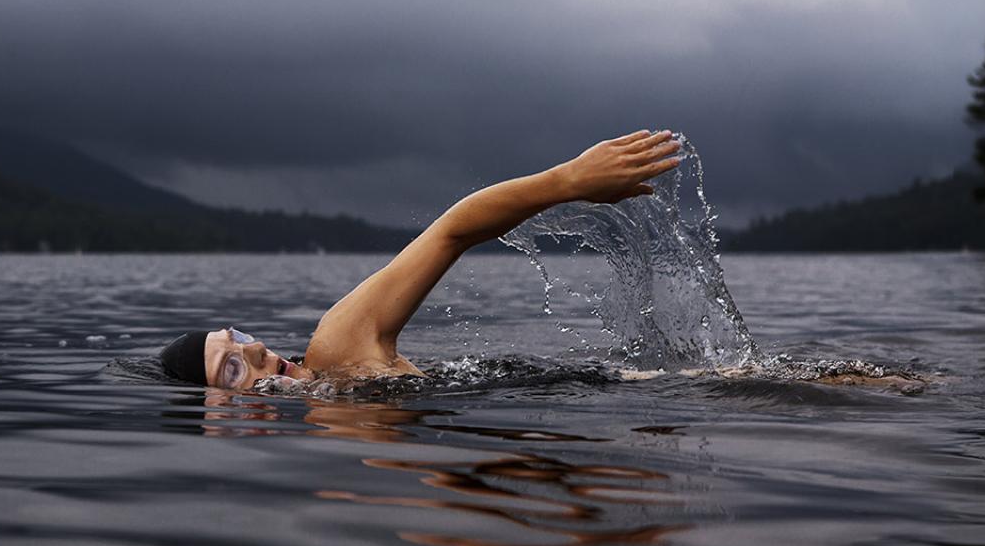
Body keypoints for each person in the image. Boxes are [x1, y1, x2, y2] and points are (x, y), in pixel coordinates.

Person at [159, 130, 682, 390]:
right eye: (230, 368)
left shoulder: (337, 348)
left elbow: (450, 232)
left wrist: (570, 181)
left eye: (240, 340)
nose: (256, 353)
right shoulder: (330, 423)